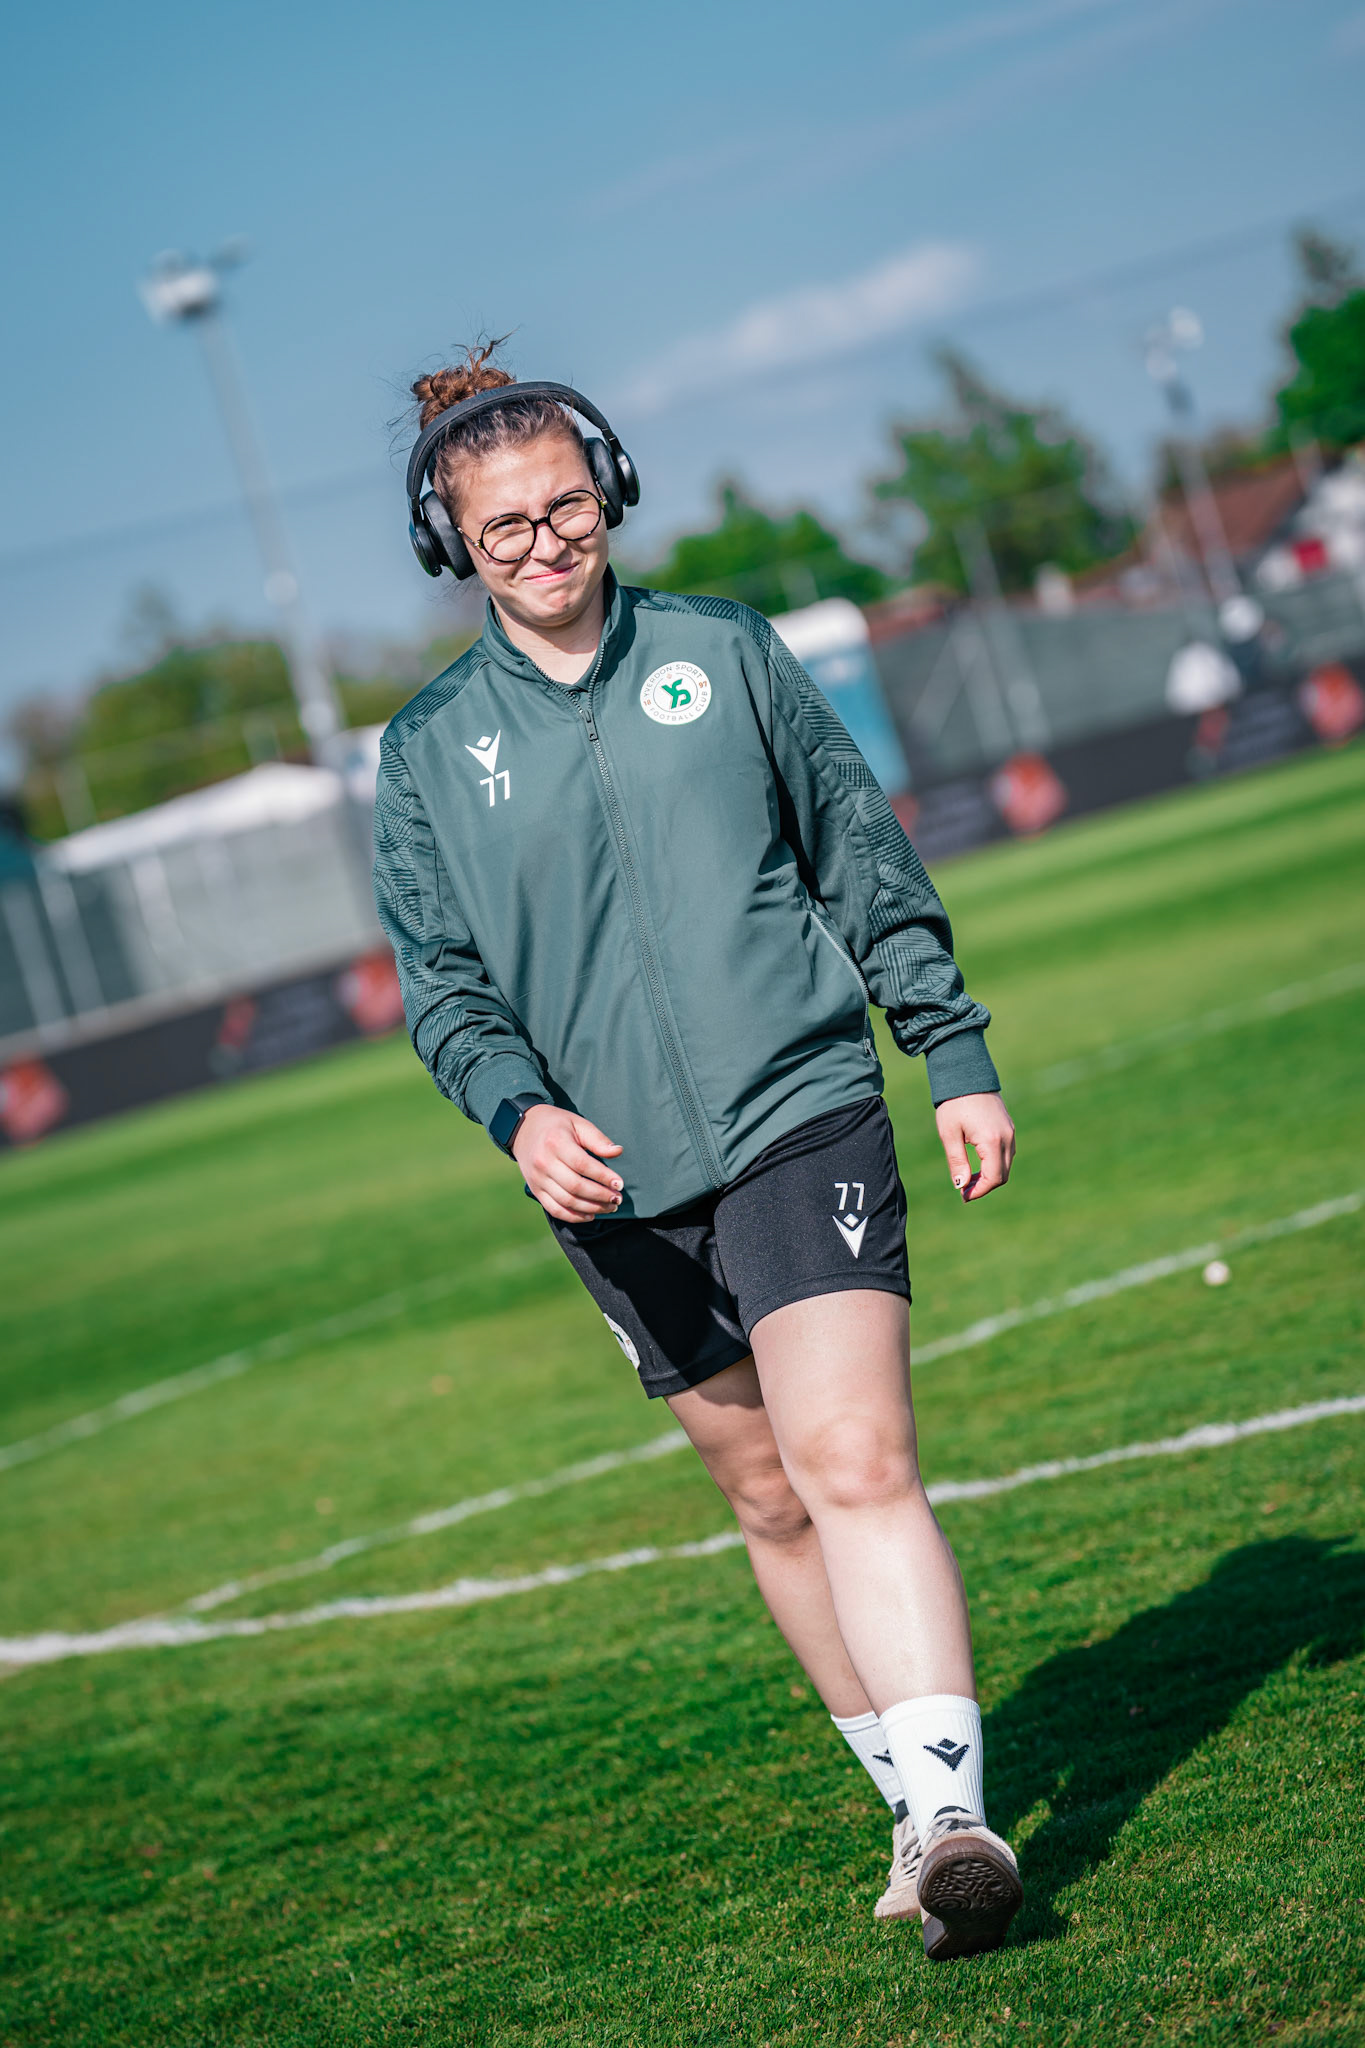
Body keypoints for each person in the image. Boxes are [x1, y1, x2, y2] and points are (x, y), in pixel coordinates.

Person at [374, 345, 1022, 1961]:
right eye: (504, 526)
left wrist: (946, 1048)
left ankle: (953, 1817)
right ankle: (900, 1807)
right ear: (453, 544)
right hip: (607, 1183)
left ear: (609, 497)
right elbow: (441, 986)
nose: (544, 545)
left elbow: (858, 857)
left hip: (796, 1108)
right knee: (769, 1500)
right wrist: (520, 1113)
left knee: (852, 1457)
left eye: (567, 507)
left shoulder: (725, 655)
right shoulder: (427, 749)